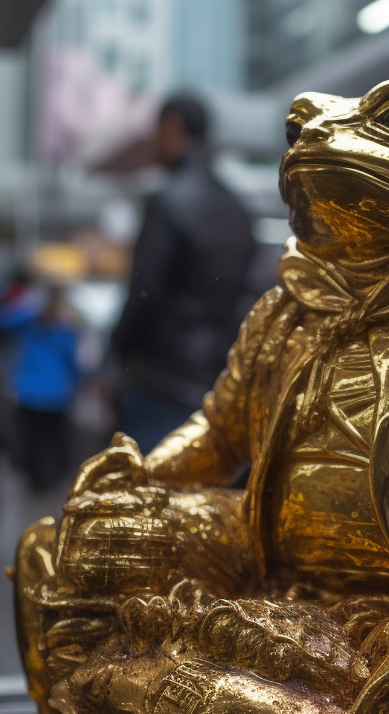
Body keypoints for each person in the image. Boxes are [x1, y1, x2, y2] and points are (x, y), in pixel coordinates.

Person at [112, 92, 256, 453]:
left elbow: (145, 291)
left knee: (148, 495)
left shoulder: (167, 201)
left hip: (162, 379)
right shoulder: (237, 208)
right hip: (218, 379)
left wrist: (117, 350)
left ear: (173, 126)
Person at [0, 283, 81, 491]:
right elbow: (74, 364)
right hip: (56, 395)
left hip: (28, 392)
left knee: (30, 439)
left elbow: (0, 321)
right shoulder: (66, 329)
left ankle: (34, 476)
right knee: (51, 440)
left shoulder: (29, 323)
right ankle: (48, 477)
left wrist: (29, 309)